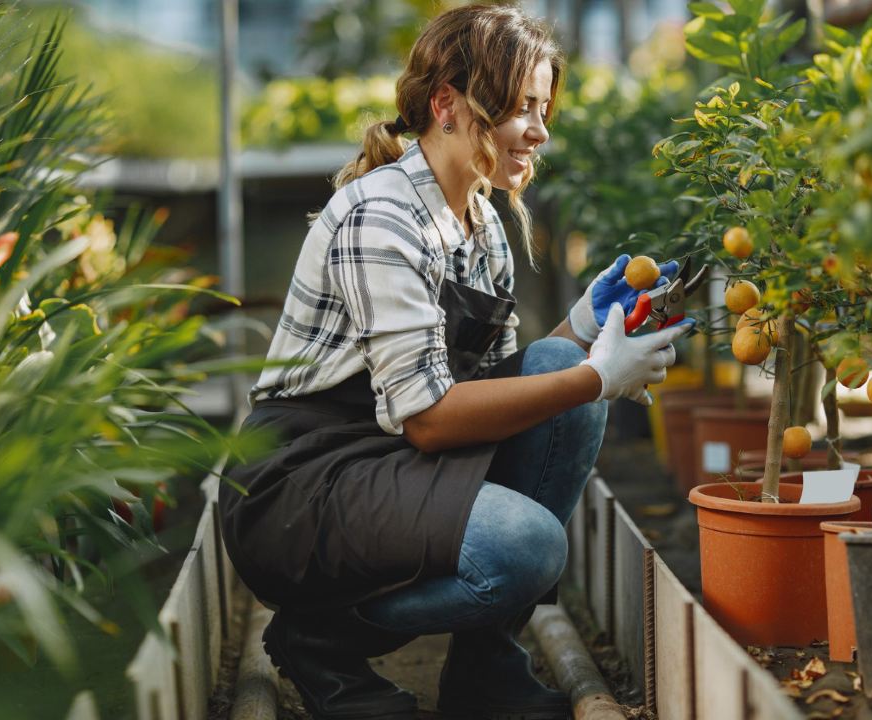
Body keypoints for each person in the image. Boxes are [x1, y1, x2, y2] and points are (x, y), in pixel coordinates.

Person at [218, 5, 690, 719]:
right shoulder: (381, 216)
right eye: (519, 107)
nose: (540, 129)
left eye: (543, 107)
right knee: (527, 544)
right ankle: (321, 637)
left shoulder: (482, 223)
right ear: (447, 105)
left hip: (390, 464)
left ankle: (485, 672)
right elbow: (433, 422)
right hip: (303, 485)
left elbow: (503, 398)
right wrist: (597, 375)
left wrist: (587, 330)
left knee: (559, 364)